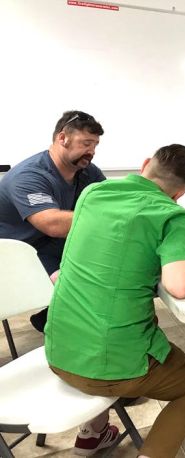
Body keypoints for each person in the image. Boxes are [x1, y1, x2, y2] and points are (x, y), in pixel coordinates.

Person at [45, 144, 185, 457]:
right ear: (179, 194)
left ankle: (92, 434)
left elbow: (128, 242)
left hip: (59, 350)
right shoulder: (174, 215)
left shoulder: (93, 194)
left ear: (146, 164)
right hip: (110, 368)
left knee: (100, 313)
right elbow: (179, 285)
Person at [0, 110, 106, 332]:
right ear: (62, 138)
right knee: (87, 285)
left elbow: (112, 200)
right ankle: (61, 323)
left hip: (55, 244)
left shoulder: (86, 171)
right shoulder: (29, 176)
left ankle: (52, 316)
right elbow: (53, 224)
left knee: (114, 265)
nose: (92, 151)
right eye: (86, 143)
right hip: (21, 252)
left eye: (95, 145)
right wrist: (111, 217)